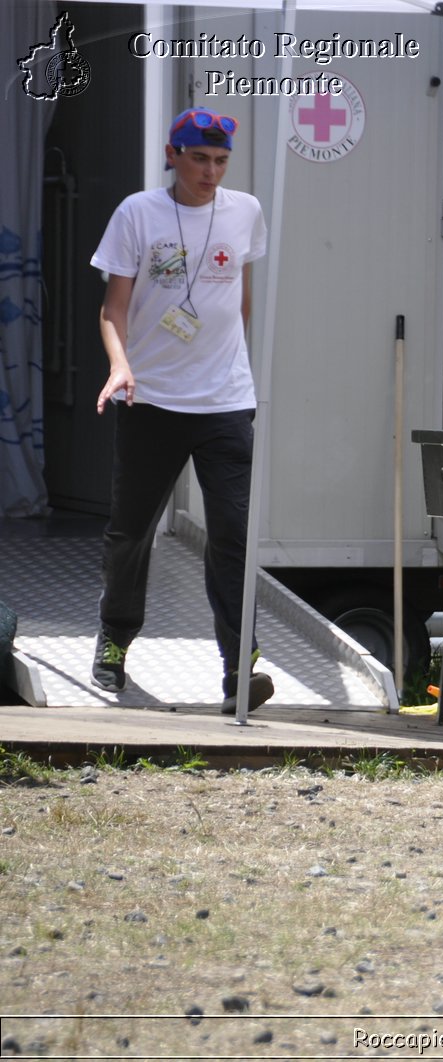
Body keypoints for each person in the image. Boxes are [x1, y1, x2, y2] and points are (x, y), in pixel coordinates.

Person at [89, 107, 273, 715]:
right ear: (173, 154)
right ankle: (115, 641)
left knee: (233, 536)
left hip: (225, 403)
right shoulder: (137, 213)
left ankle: (238, 668)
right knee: (131, 532)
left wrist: (227, 368)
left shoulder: (244, 210)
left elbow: (239, 303)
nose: (210, 172)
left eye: (220, 161)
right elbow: (113, 308)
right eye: (199, 159)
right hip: (152, 399)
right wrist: (121, 365)